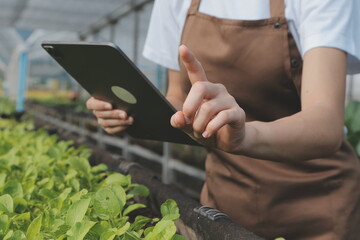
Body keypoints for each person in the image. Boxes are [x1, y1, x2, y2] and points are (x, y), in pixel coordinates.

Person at [86, 0, 360, 239]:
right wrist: (131, 108)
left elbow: (326, 123)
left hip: (316, 208)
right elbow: (179, 98)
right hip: (223, 205)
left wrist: (246, 136)